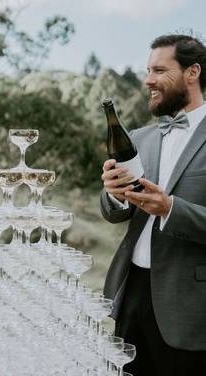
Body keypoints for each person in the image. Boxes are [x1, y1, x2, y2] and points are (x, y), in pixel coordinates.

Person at [100, 34, 206, 375]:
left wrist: (170, 209)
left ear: (193, 73)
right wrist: (115, 193)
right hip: (130, 294)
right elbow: (114, 211)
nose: (148, 80)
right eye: (148, 70)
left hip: (190, 306)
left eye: (159, 70)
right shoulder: (139, 137)